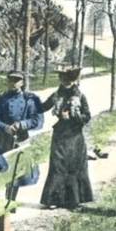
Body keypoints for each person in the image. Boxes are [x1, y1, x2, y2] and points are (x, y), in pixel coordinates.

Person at [40, 67, 94, 210]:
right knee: (57, 166)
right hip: (59, 136)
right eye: (63, 79)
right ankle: (54, 200)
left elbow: (87, 117)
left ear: (74, 80)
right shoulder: (56, 95)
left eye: (68, 80)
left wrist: (73, 116)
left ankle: (74, 201)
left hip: (75, 137)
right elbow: (43, 107)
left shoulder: (80, 97)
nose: (65, 82)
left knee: (74, 167)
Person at [0, 70, 44, 188]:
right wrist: (4, 127)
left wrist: (21, 125)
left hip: (20, 140)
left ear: (22, 83)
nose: (13, 83)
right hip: (0, 140)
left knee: (17, 175)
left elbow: (37, 121)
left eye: (17, 80)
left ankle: (10, 201)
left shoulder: (30, 99)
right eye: (11, 80)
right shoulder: (0, 98)